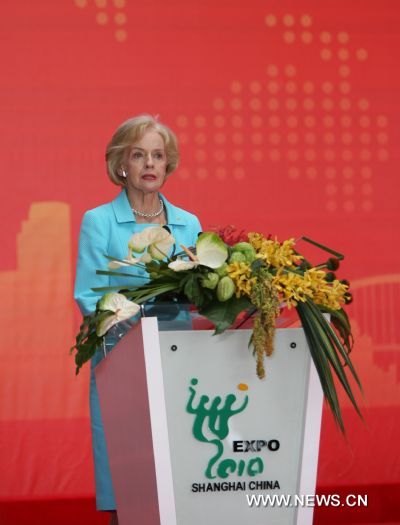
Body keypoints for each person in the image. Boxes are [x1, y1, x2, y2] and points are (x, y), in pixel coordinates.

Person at [74, 115, 202, 524]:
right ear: (122, 165)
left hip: (180, 366)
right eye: (139, 155)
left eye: (158, 156)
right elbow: (90, 296)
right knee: (128, 488)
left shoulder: (189, 224)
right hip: (123, 367)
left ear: (168, 165)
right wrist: (135, 320)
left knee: (178, 481)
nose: (150, 164)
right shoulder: (100, 221)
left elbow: (201, 292)